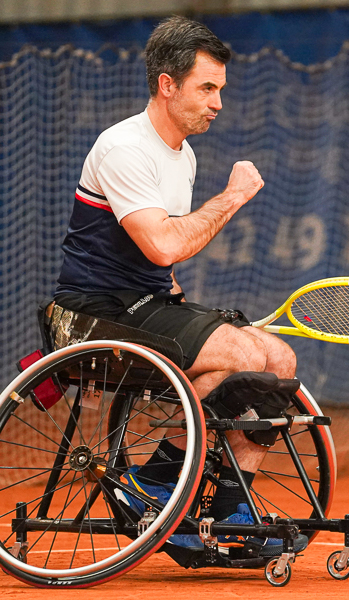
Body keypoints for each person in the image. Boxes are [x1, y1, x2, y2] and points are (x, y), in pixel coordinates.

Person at [54, 16, 301, 555]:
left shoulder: (183, 154)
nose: (217, 103)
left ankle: (232, 506)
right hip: (93, 314)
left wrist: (187, 308)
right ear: (168, 85)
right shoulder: (124, 148)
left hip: (146, 305)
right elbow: (162, 244)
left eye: (220, 90)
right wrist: (232, 197)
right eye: (207, 88)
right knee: (244, 355)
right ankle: (159, 483)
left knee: (277, 361)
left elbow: (160, 266)